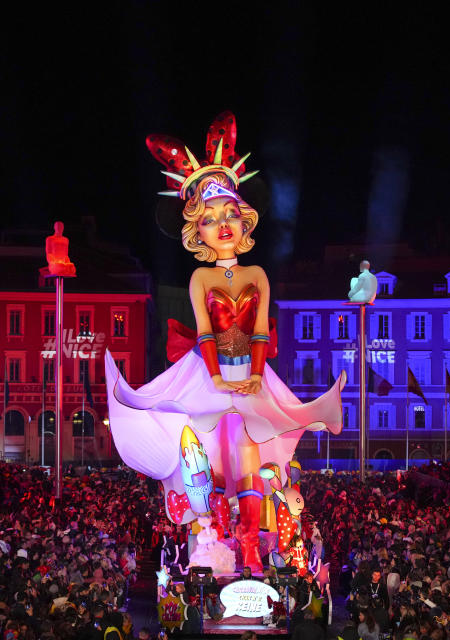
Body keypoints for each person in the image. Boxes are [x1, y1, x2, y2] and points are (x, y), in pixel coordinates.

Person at [105, 112, 345, 572]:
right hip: (209, 375)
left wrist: (254, 376)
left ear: (244, 219)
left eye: (230, 213)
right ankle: (208, 537)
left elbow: (259, 330)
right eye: (212, 218)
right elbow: (203, 330)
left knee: (250, 453)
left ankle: (250, 542)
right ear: (199, 229)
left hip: (250, 378)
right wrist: (217, 377)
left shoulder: (256, 274)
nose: (223, 224)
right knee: (208, 455)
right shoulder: (200, 276)